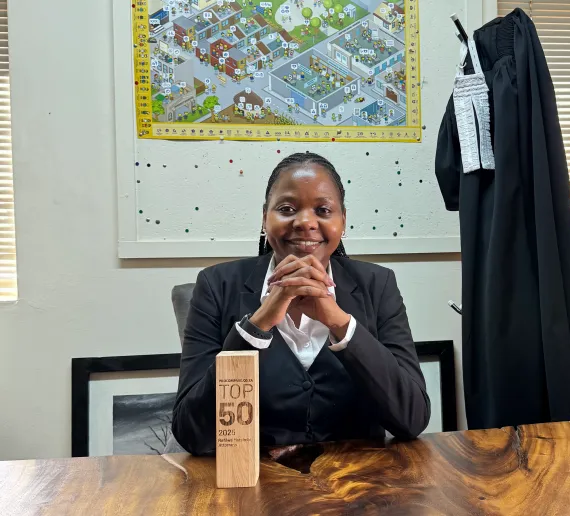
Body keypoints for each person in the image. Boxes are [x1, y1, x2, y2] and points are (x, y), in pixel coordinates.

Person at [172, 152, 430, 455]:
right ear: (264, 218)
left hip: (359, 486)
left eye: (323, 210)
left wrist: (339, 323)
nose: (305, 222)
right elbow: (192, 433)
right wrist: (258, 325)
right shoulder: (217, 285)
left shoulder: (378, 285)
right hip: (255, 484)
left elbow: (412, 419)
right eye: (286, 208)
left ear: (342, 221)